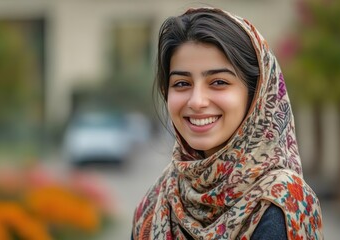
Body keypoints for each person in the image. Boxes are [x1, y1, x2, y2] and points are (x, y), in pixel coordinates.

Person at [132, 7, 323, 240]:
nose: (197, 101)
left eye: (219, 81)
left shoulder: (278, 203)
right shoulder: (157, 200)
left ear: (255, 95)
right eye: (182, 83)